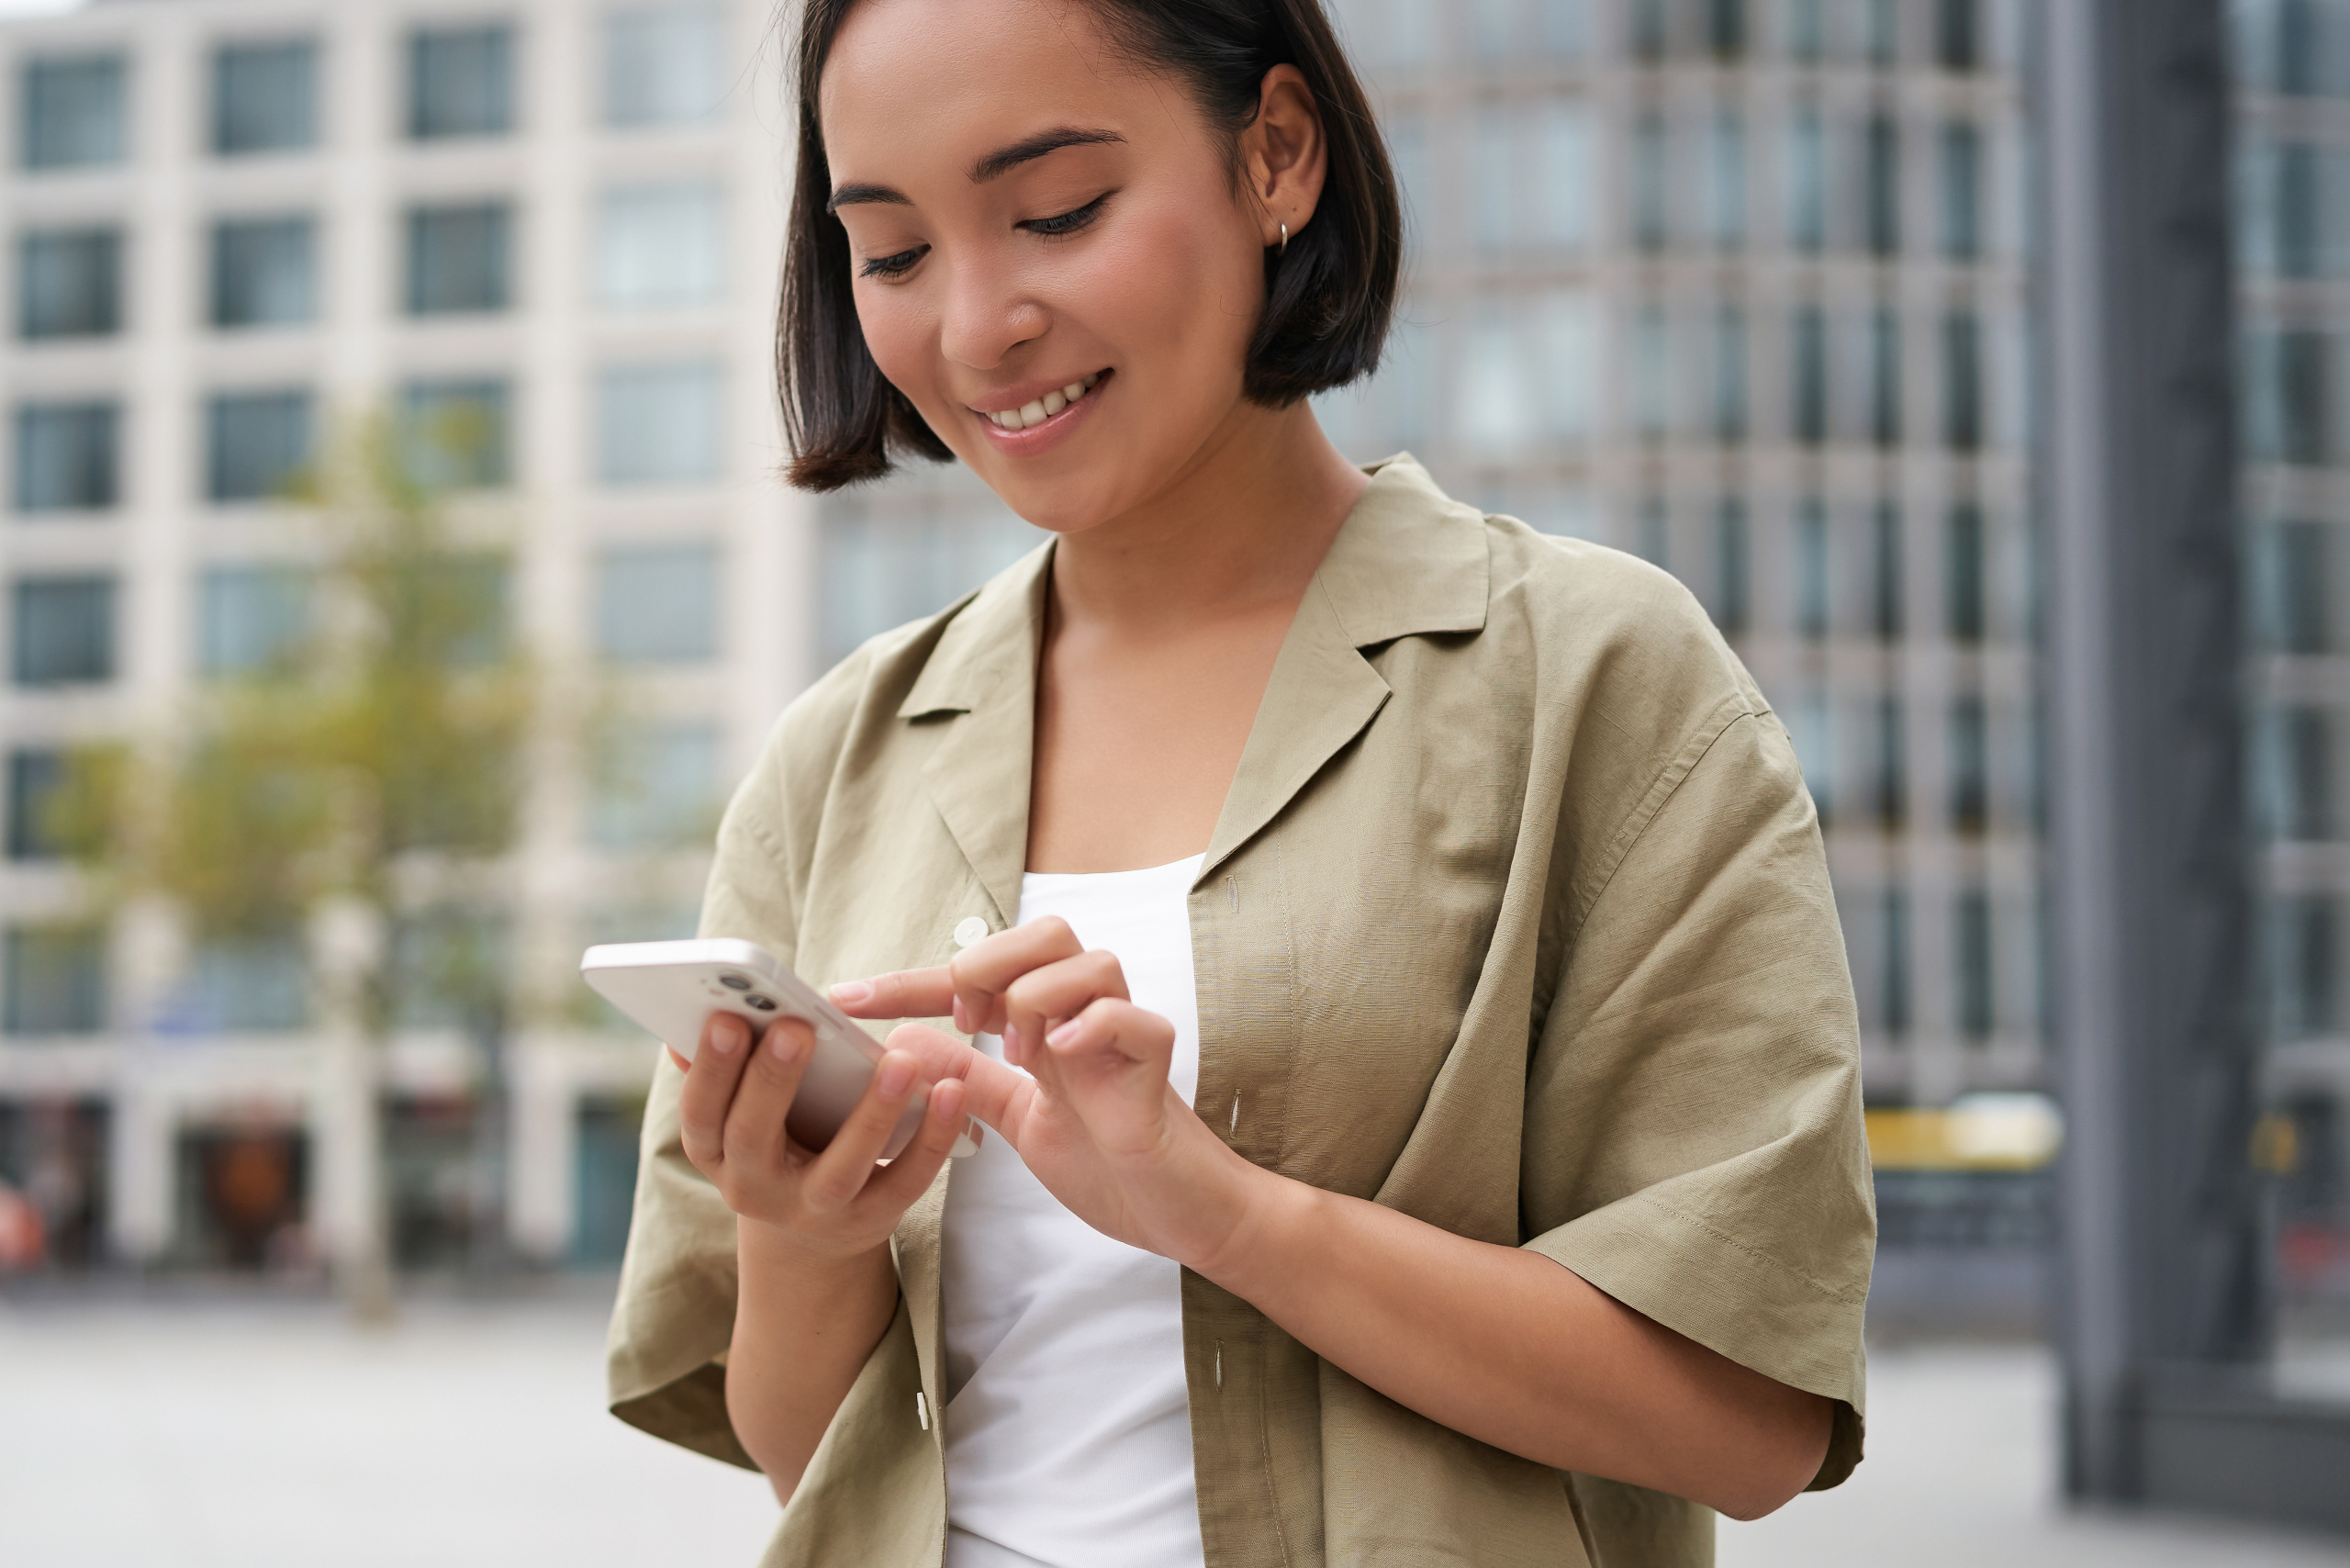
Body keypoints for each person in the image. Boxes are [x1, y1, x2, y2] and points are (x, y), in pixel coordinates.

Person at [605, 1, 1875, 1564]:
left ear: (1276, 153)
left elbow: (1750, 1417)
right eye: (894, 252)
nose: (977, 323)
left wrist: (1222, 1212)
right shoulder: (833, 763)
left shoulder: (1593, 677)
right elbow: (813, 1455)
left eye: (1057, 212)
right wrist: (804, 1236)